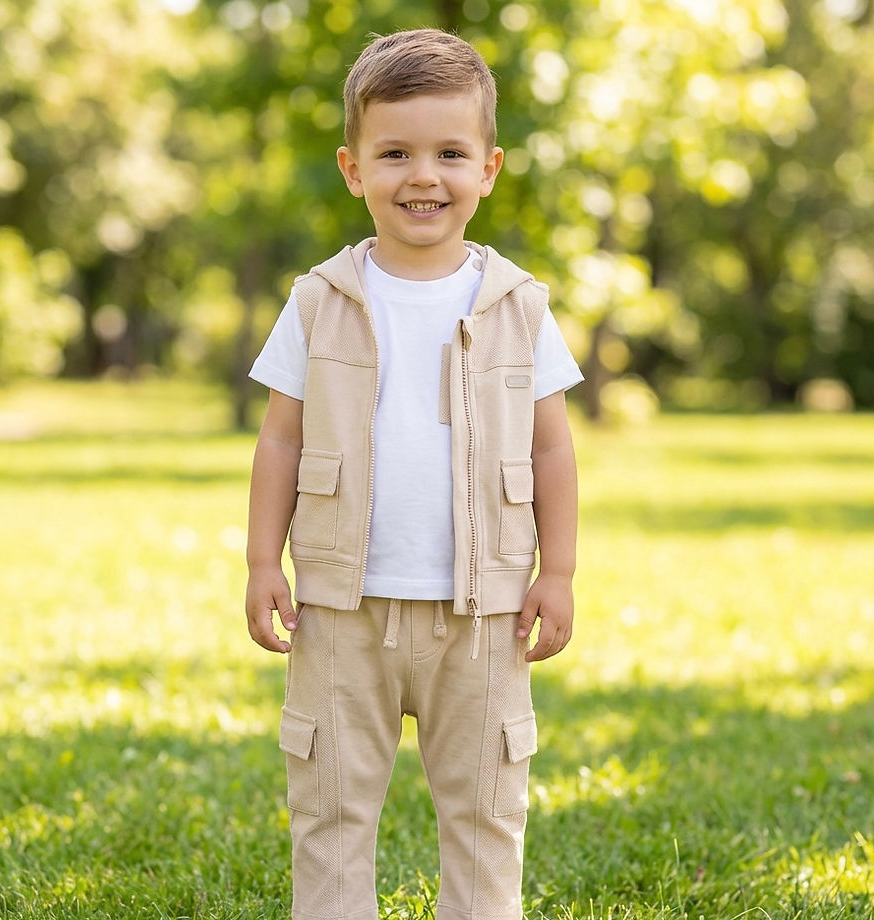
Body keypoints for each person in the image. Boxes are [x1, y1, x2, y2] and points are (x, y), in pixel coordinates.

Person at [245, 28, 582, 920]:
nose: (422, 176)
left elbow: (552, 449)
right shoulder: (318, 301)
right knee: (330, 805)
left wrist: (557, 571)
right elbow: (280, 440)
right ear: (353, 169)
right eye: (395, 153)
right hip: (339, 608)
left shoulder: (519, 307)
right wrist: (261, 562)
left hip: (483, 614)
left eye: (450, 154)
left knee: (485, 810)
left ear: (489, 168)